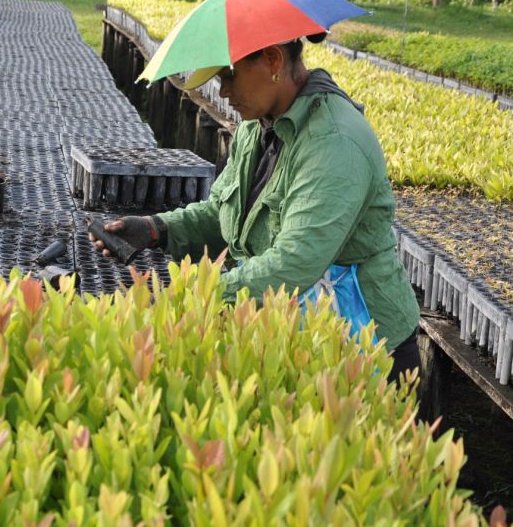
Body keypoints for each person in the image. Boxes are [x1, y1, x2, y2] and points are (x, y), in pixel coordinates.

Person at [91, 36, 421, 383]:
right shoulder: (257, 126)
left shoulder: (334, 143)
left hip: (367, 346)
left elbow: (297, 259)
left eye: (228, 76)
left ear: (273, 60)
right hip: (304, 329)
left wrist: (197, 298)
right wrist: (157, 229)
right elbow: (225, 213)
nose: (223, 92)